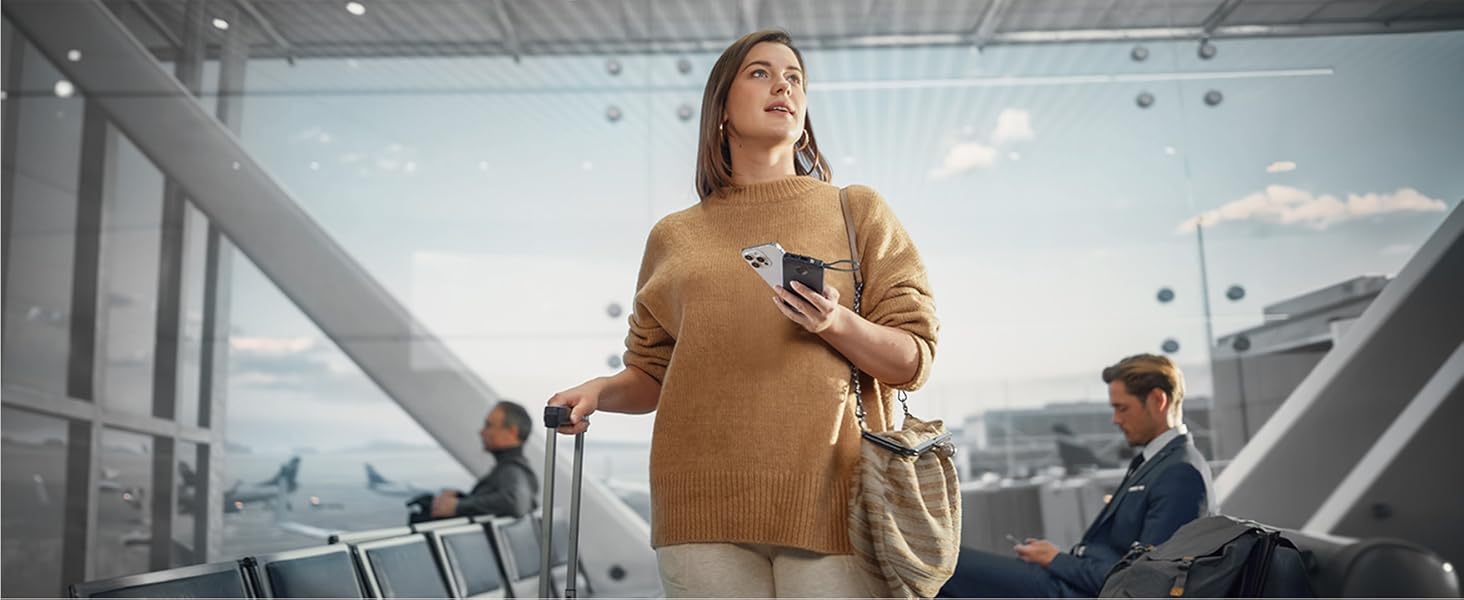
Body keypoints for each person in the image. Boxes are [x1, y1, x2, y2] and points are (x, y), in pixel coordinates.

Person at [545, 29, 939, 599]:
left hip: (834, 501)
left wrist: (835, 323)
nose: (783, 84)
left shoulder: (857, 210)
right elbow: (652, 375)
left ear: (803, 113)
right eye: (760, 72)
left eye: (794, 77)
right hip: (698, 507)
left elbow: (912, 360)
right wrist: (600, 392)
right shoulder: (673, 236)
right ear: (721, 109)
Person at [940, 354, 1215, 598]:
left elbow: (1145, 583)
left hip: (1079, 590)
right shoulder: (1158, 462)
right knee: (940, 567)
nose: (1115, 420)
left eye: (1122, 408)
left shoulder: (1181, 472)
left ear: (1158, 400)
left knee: (943, 567)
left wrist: (1056, 560)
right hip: (1075, 580)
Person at [427, 400, 538, 519]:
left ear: (512, 432)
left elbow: (516, 502)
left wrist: (458, 506)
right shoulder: (510, 469)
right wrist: (461, 498)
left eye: (489, 425)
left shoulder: (512, 470)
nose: (481, 432)